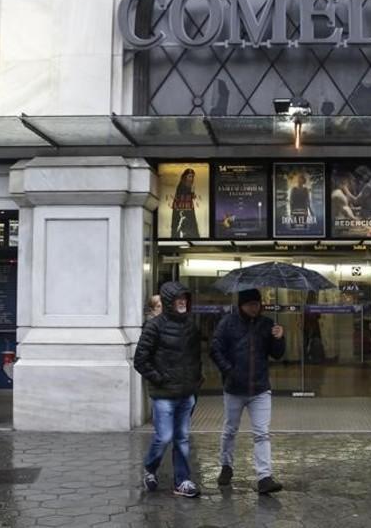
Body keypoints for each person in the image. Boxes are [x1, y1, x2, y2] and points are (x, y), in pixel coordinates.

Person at [210, 288, 285, 494]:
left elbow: (277, 355)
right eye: (251, 304)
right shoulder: (228, 323)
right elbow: (215, 349)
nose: (255, 307)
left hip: (260, 389)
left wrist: (279, 338)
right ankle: (226, 466)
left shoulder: (267, 324)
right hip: (234, 389)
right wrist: (228, 371)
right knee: (230, 431)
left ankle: (264, 477)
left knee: (262, 433)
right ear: (242, 305)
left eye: (257, 303)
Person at [134, 281, 203, 498]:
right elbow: (140, 360)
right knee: (164, 437)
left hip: (185, 393)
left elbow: (195, 358)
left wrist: (196, 382)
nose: (182, 302)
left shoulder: (191, 325)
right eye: (178, 298)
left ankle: (182, 481)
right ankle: (150, 468)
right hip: (163, 394)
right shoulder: (154, 326)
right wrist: (159, 379)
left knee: (182, 438)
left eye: (185, 298)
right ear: (168, 301)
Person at [170, 168, 200, 238]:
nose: (191, 178)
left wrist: (192, 194)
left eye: (192, 176)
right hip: (182, 211)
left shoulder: (188, 185)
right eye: (189, 176)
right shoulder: (182, 186)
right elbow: (181, 199)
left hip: (187, 210)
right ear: (185, 176)